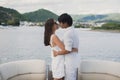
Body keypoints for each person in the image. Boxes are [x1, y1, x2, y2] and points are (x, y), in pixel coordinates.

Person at [54, 13, 80, 80]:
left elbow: (68, 50)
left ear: (65, 23)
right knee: (72, 76)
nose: (59, 24)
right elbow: (72, 48)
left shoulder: (68, 34)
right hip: (74, 58)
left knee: (69, 77)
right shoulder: (74, 31)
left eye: (60, 22)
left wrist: (57, 53)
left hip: (70, 60)